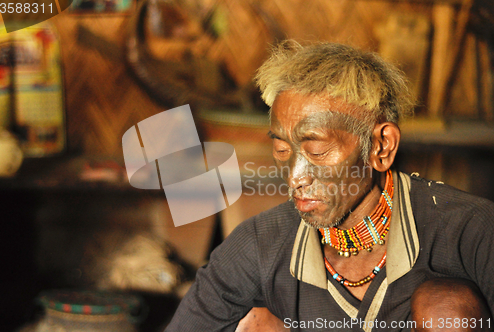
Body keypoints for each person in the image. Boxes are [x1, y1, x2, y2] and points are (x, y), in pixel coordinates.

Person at [165, 41, 494, 331]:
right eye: (282, 149)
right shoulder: (258, 245)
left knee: (445, 307)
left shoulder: (471, 230)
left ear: (381, 147)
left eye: (317, 150)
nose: (296, 177)